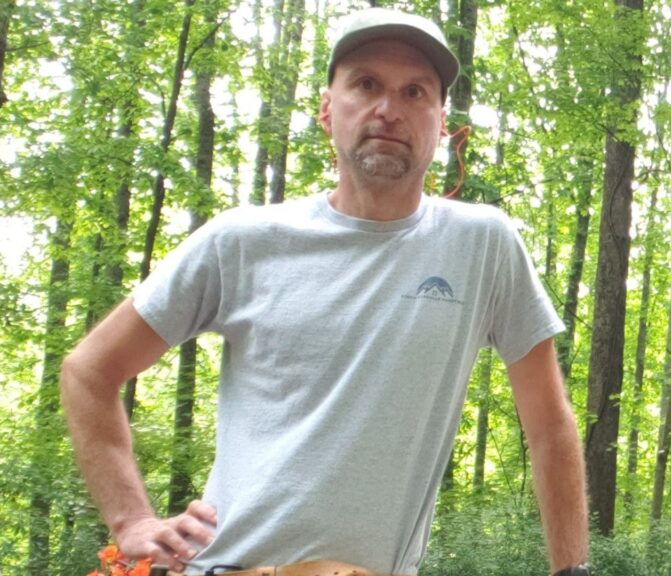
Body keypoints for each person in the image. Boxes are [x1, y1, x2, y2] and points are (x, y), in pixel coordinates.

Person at [61, 7, 590, 576]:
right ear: (326, 108)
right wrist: (131, 522)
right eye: (365, 84)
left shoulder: (483, 246)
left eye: (415, 92)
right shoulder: (243, 241)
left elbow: (549, 425)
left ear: (442, 125)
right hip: (226, 564)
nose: (389, 110)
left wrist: (572, 571)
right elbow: (89, 372)